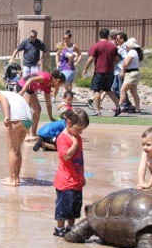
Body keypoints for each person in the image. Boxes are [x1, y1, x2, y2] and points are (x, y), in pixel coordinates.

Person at [53, 109, 89, 237]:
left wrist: (82, 176)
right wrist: (74, 144)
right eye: (78, 129)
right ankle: (60, 228)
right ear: (68, 123)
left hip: (76, 180)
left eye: (82, 129)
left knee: (74, 207)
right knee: (63, 207)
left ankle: (71, 226)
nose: (80, 132)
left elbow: (81, 159)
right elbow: (66, 156)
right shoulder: (62, 138)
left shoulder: (77, 137)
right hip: (65, 181)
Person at [0, 89, 33, 186]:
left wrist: (7, 116)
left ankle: (12, 180)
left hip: (16, 119)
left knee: (11, 150)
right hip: (28, 120)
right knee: (17, 150)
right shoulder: (12, 94)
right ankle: (15, 177)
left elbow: (4, 100)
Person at [81, 28, 121, 117]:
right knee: (108, 90)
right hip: (110, 71)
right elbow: (117, 59)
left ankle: (98, 110)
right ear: (107, 35)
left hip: (99, 71)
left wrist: (85, 69)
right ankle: (118, 107)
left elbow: (91, 58)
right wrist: (111, 64)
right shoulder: (113, 46)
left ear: (99, 35)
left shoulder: (96, 45)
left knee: (97, 90)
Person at [16, 69, 65, 139]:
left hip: (30, 89)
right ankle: (26, 134)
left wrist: (51, 117)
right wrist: (22, 91)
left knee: (38, 109)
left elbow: (48, 103)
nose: (58, 87)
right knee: (27, 110)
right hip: (23, 85)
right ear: (57, 80)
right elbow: (30, 80)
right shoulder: (46, 77)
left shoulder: (48, 86)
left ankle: (33, 133)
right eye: (60, 85)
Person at [118, 38, 143, 113]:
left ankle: (118, 107)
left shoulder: (131, 52)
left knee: (122, 90)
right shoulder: (135, 52)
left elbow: (126, 63)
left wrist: (122, 70)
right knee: (133, 91)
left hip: (131, 73)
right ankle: (137, 109)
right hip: (134, 73)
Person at [54, 30, 81, 99]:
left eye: (66, 38)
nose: (65, 40)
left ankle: (69, 97)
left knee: (67, 83)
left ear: (70, 38)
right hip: (62, 67)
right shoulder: (62, 46)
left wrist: (77, 62)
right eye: (64, 38)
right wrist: (57, 63)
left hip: (70, 68)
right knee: (59, 82)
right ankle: (54, 97)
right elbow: (57, 55)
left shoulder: (73, 46)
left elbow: (80, 54)